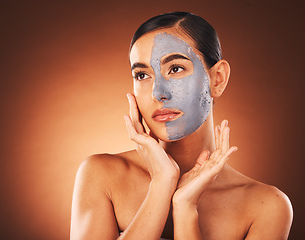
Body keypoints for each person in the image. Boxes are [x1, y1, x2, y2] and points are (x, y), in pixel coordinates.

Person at [70, 12, 293, 239]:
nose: (158, 93)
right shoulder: (101, 175)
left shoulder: (266, 206)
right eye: (141, 75)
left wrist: (186, 208)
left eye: (175, 69)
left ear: (217, 79)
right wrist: (161, 184)